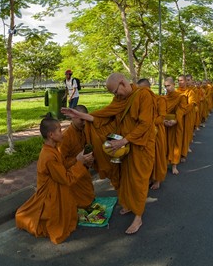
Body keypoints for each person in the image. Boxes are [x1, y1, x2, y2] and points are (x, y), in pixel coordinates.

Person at [62, 73, 156, 235]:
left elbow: (145, 124)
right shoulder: (120, 100)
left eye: (115, 92)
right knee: (124, 176)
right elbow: (106, 114)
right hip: (123, 145)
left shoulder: (144, 96)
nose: (115, 96)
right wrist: (81, 115)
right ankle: (128, 203)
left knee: (138, 180)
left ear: (122, 83)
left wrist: (123, 141)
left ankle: (138, 216)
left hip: (140, 146)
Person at [15, 114, 91, 244]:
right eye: (60, 130)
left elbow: (62, 167)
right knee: (58, 228)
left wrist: (77, 160)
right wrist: (80, 163)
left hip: (57, 187)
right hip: (50, 195)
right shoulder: (49, 156)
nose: (62, 133)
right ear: (51, 135)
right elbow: (66, 179)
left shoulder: (52, 149)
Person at [58, 105, 95, 208]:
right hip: (71, 173)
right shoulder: (65, 136)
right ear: (73, 117)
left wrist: (89, 159)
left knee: (89, 196)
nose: (84, 123)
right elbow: (60, 163)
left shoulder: (84, 130)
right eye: (81, 120)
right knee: (81, 203)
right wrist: (77, 160)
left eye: (85, 119)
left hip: (82, 169)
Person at [137, 78, 167, 190]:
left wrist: (148, 123)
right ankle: (149, 177)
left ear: (148, 89)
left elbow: (162, 117)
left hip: (157, 131)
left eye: (142, 90)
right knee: (148, 157)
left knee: (157, 156)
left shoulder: (159, 100)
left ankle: (158, 179)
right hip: (145, 132)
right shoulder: (141, 100)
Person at [163, 77, 187, 175]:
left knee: (175, 144)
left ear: (173, 85)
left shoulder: (180, 97)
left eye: (168, 86)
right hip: (165, 124)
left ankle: (174, 165)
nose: (167, 88)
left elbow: (181, 110)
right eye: (165, 86)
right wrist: (163, 121)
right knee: (164, 144)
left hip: (175, 124)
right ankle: (164, 163)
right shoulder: (163, 98)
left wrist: (175, 120)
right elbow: (161, 111)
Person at [177, 75, 196, 161]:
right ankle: (176, 153)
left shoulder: (190, 92)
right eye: (178, 81)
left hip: (187, 115)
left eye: (182, 80)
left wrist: (182, 112)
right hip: (178, 116)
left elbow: (191, 105)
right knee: (178, 135)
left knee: (185, 134)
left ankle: (183, 154)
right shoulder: (176, 91)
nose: (180, 82)